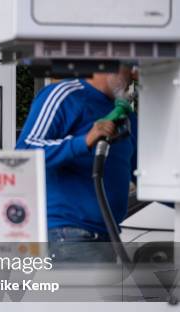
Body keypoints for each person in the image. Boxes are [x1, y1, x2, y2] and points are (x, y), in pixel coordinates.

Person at [16, 65, 137, 260]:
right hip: (69, 233)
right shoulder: (64, 96)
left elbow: (144, 172)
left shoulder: (125, 115)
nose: (134, 74)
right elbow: (25, 153)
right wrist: (83, 142)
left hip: (107, 237)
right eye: (129, 66)